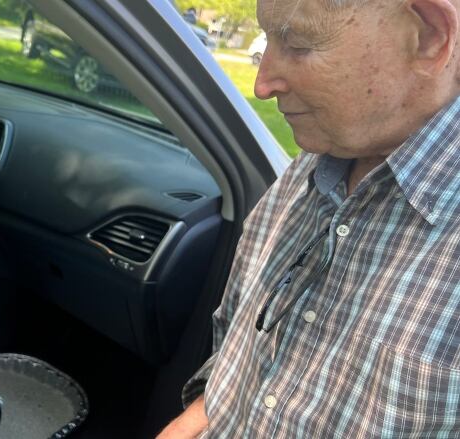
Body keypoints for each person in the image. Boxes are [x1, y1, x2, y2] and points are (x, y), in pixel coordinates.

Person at [158, 0, 460, 437]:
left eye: (297, 42)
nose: (263, 85)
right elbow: (245, 355)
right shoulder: (321, 155)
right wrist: (194, 420)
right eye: (268, 39)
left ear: (429, 36)